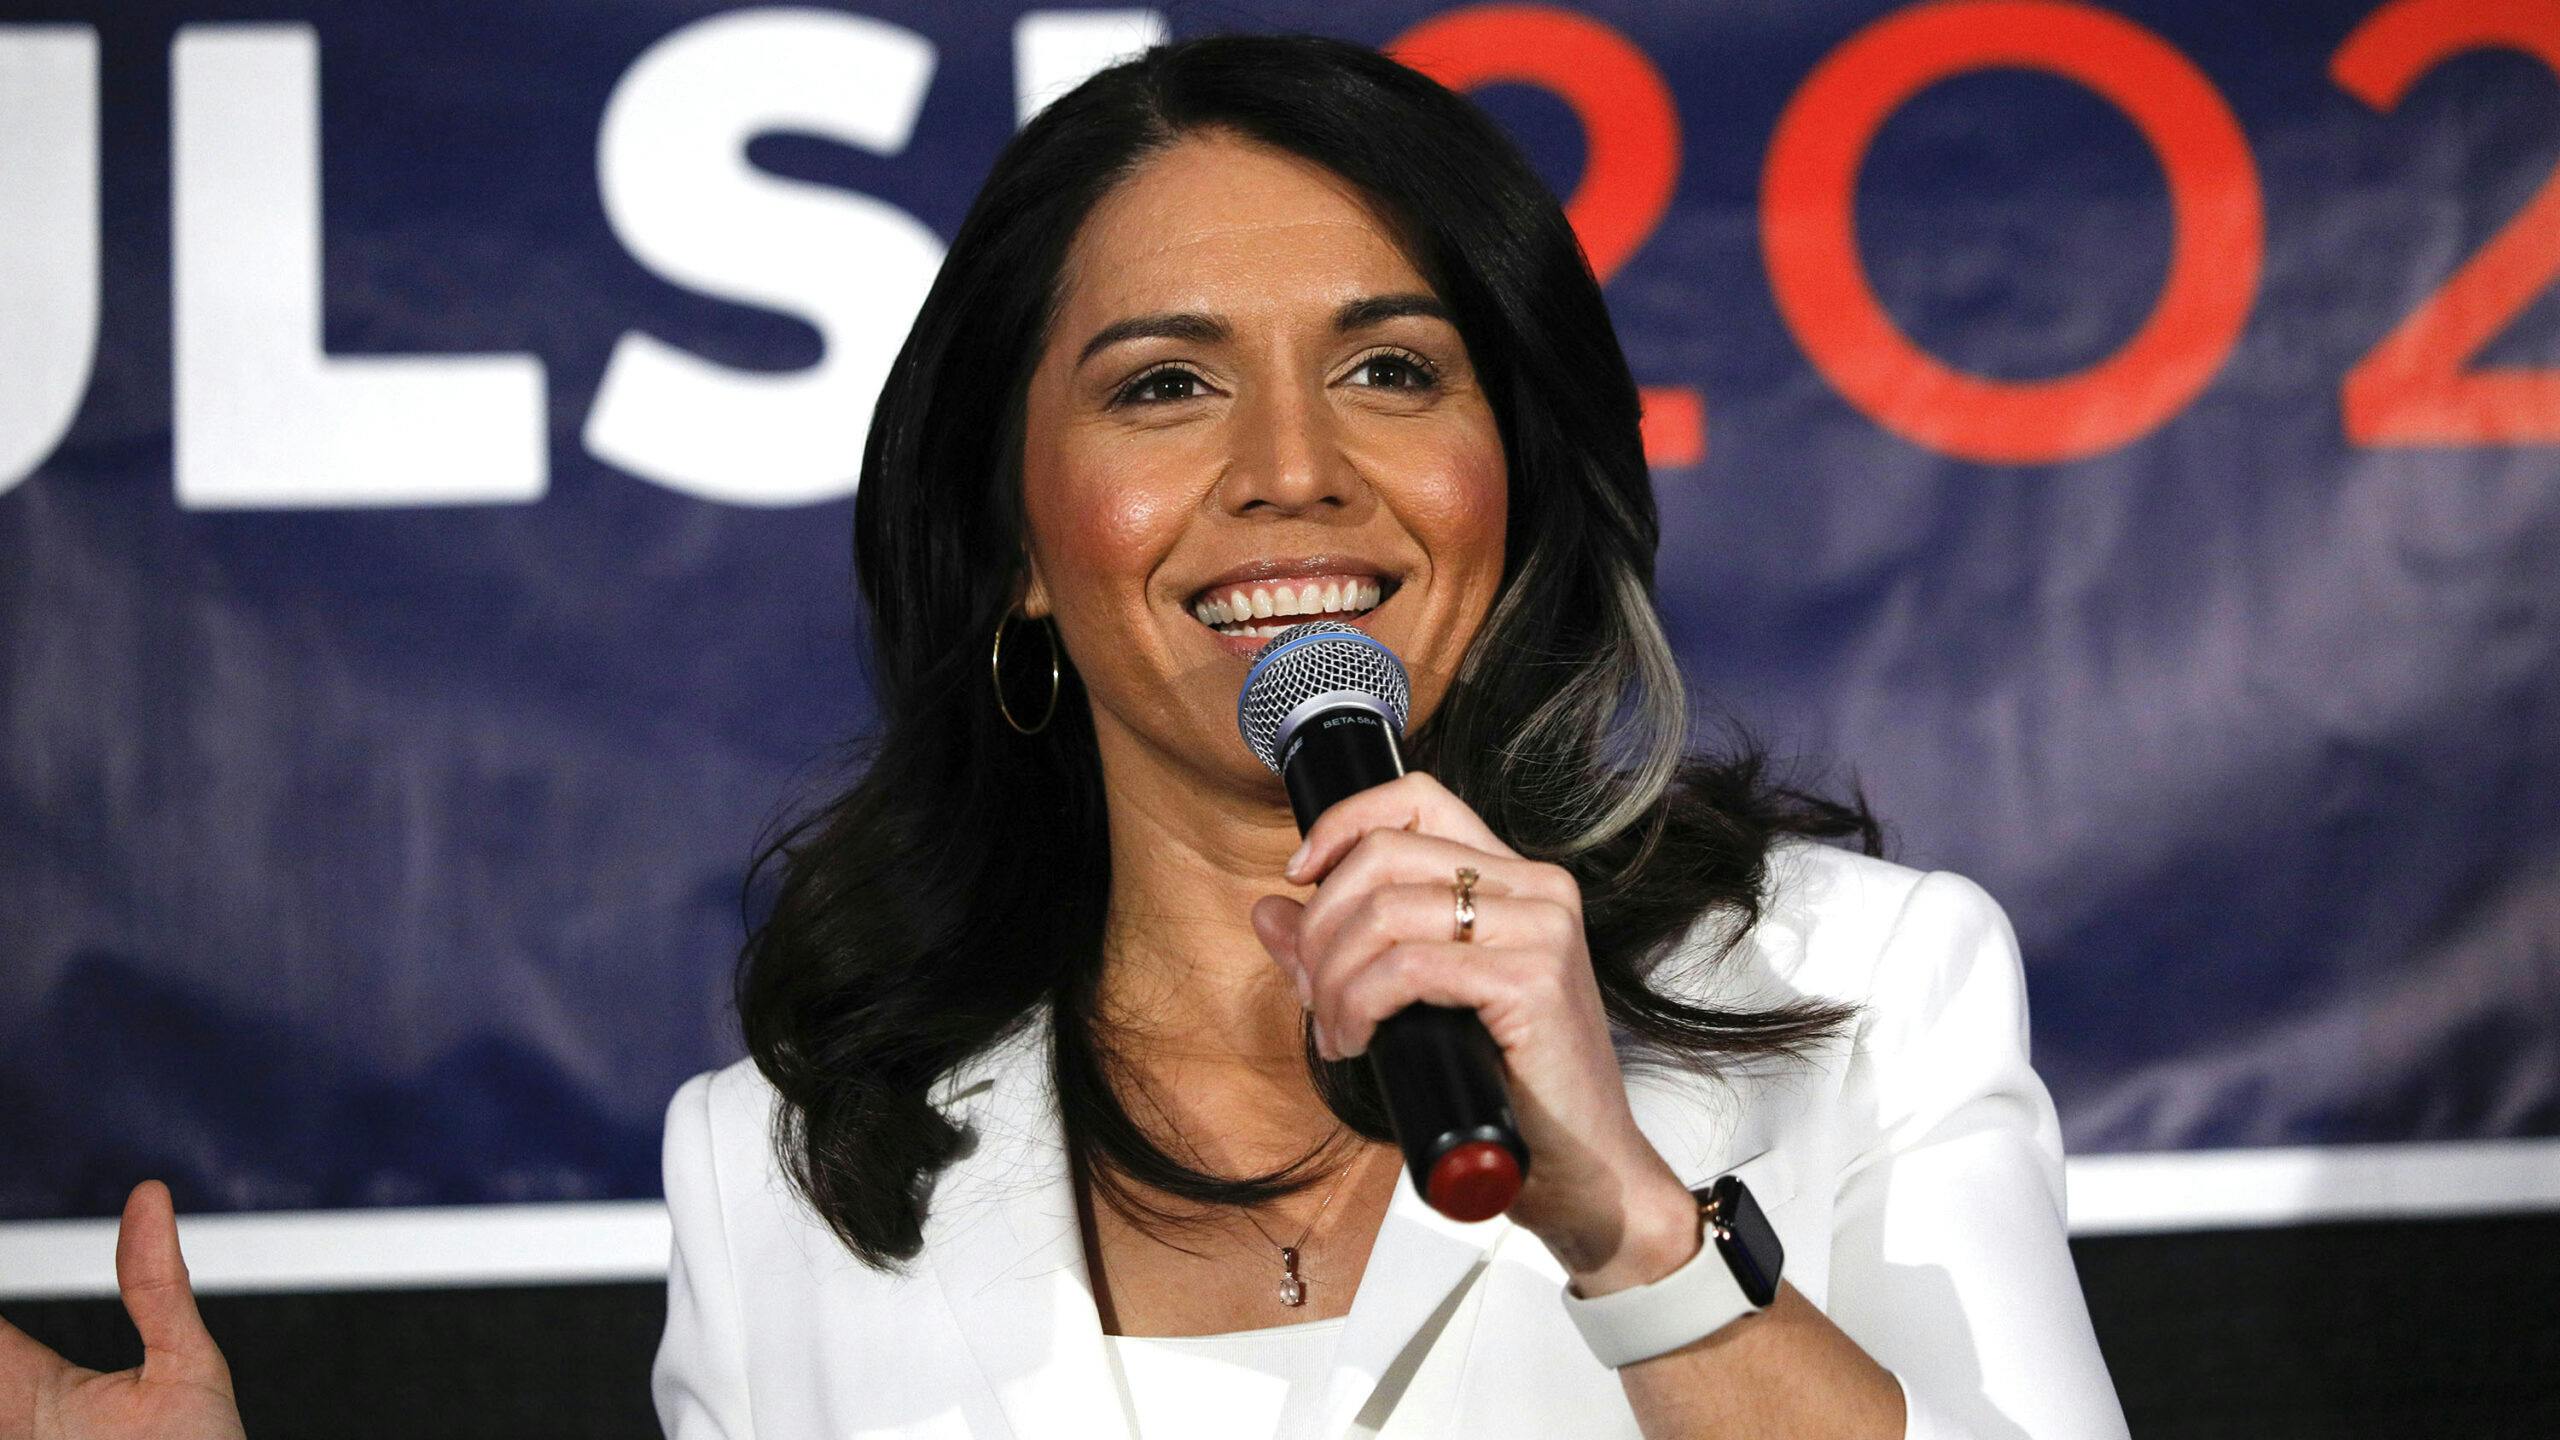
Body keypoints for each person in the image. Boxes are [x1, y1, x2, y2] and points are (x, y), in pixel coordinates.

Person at [0, 32, 2128, 1440]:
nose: (1293, 473)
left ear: (1522, 474)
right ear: (1017, 541)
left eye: (1391, 372)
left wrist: (1631, 1229)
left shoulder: (1855, 995)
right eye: (1160, 387)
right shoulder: (784, 1183)